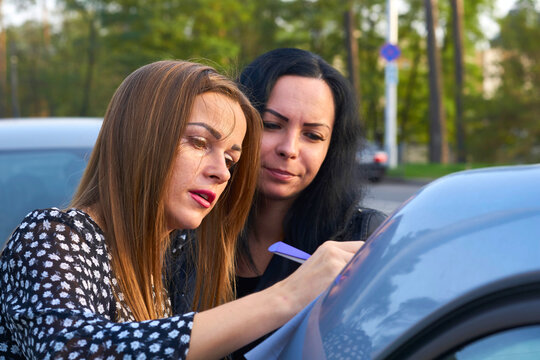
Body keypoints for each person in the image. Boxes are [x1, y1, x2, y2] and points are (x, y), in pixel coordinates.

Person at [0, 60, 363, 359]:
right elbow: (74, 353)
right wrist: (288, 295)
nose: (221, 172)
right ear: (142, 137)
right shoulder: (52, 236)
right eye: (199, 142)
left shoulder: (170, 256)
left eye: (231, 159)